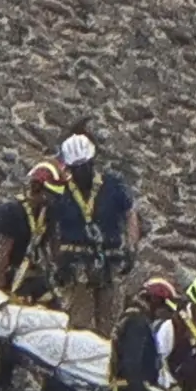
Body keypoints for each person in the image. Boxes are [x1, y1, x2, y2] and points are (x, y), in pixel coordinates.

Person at [49, 133, 141, 336]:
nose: (82, 173)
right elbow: (53, 230)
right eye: (77, 169)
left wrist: (131, 247)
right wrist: (58, 263)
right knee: (78, 324)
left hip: (109, 261)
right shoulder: (62, 192)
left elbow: (130, 214)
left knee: (109, 326)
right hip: (77, 265)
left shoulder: (113, 185)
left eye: (85, 167)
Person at [0, 161, 67, 390]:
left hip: (33, 275)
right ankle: (3, 382)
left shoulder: (47, 212)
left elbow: (52, 247)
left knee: (57, 318)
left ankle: (53, 382)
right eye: (48, 194)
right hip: (12, 278)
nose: (52, 200)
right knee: (12, 328)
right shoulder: (12, 213)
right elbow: (2, 255)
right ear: (35, 189)